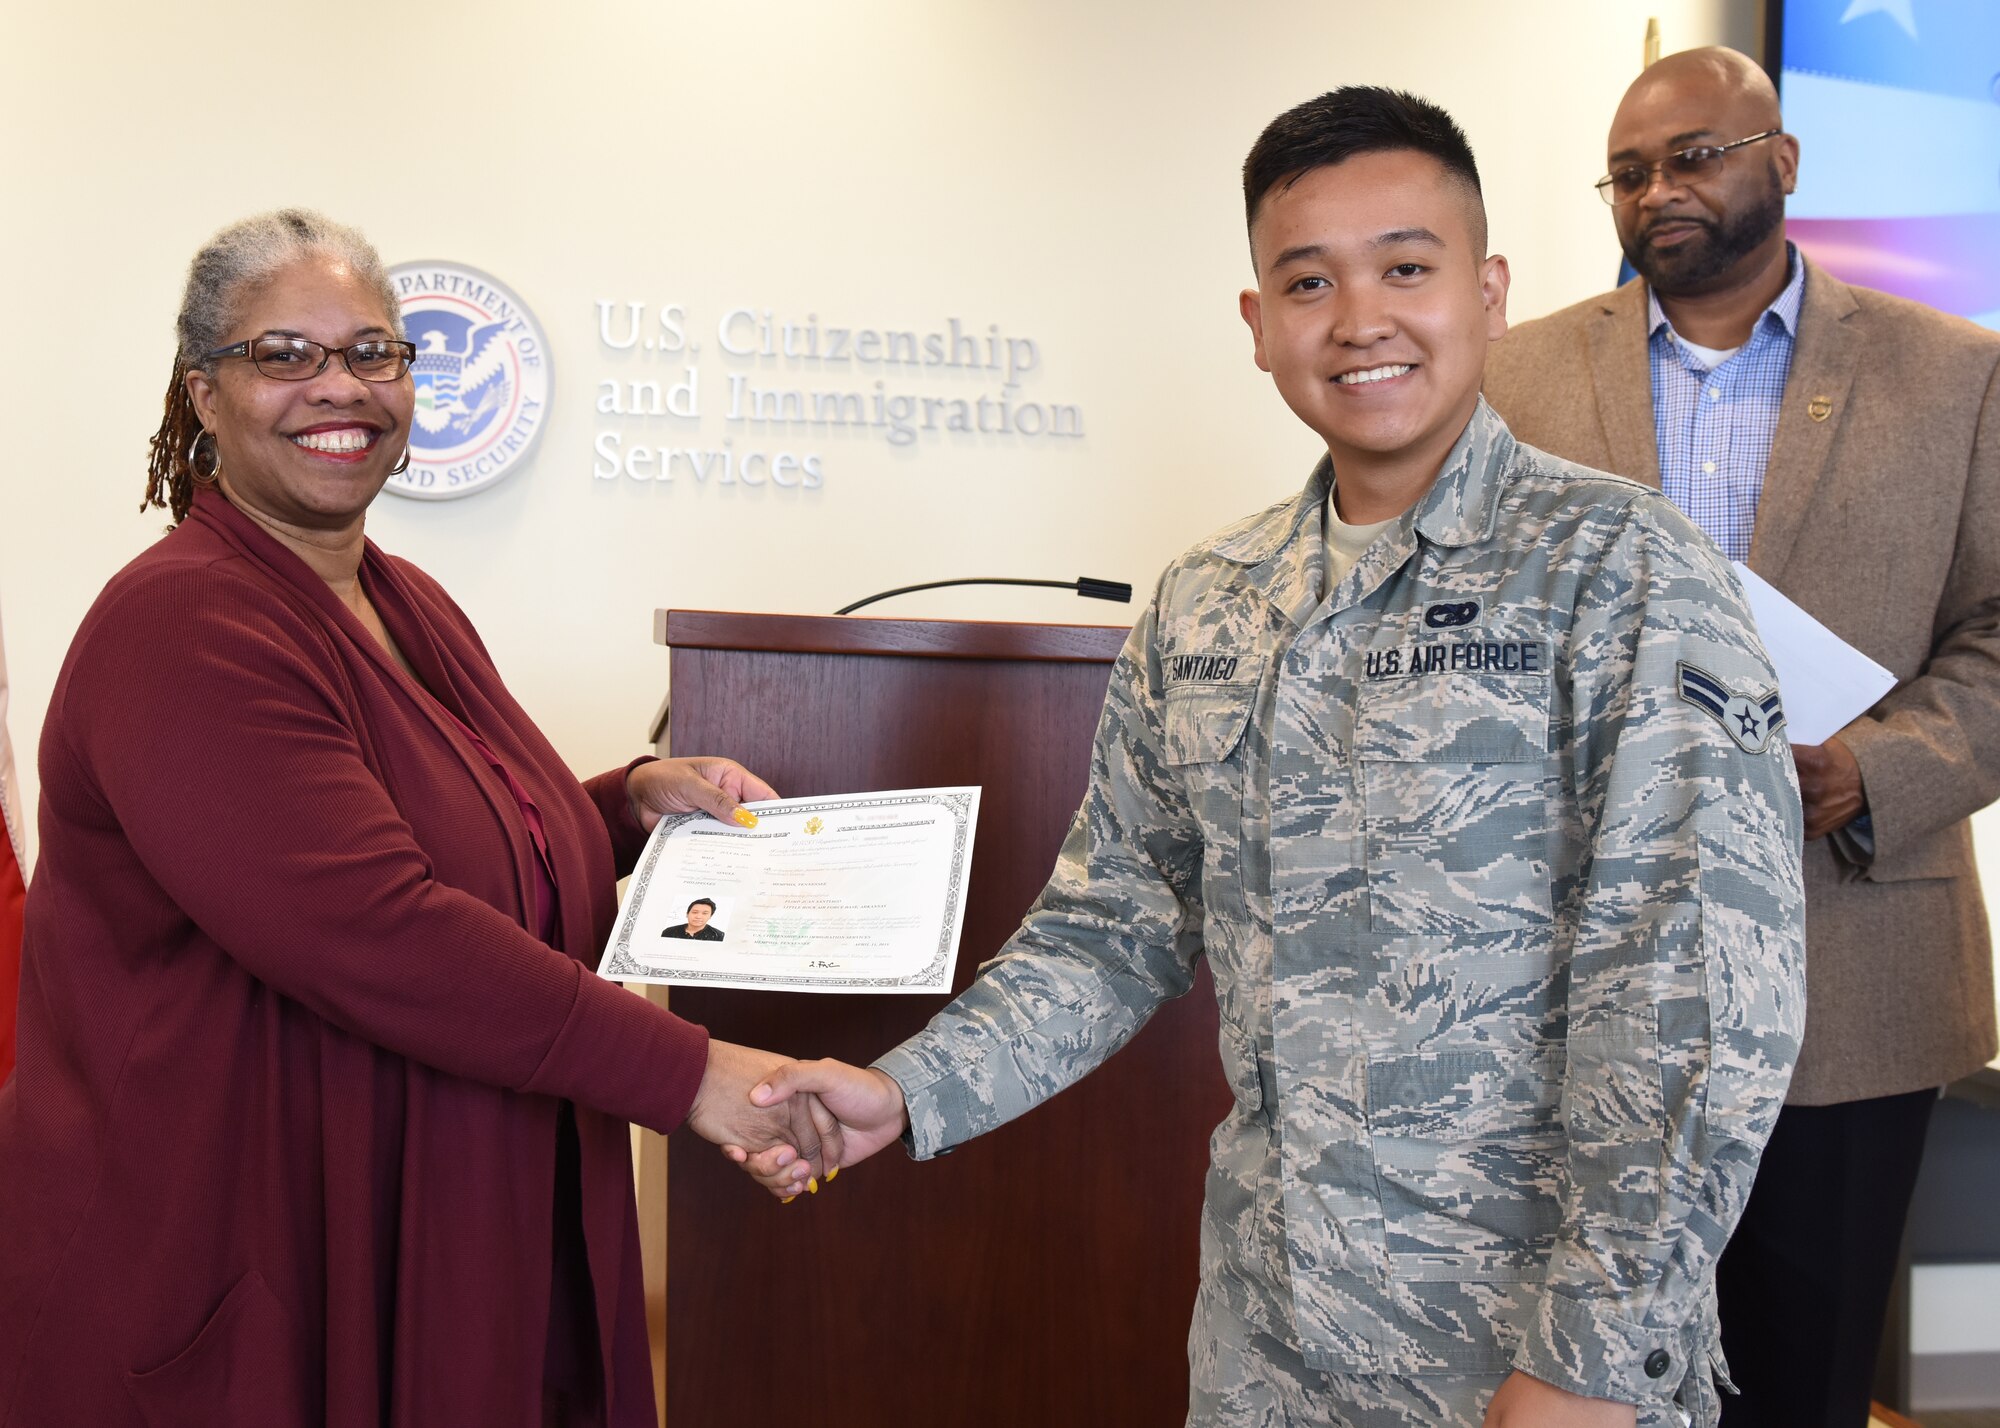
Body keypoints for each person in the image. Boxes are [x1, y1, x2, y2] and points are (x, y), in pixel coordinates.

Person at [733, 89, 1806, 1428]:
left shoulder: (1622, 572)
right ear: (1259, 325)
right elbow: (1108, 930)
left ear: (1487, 293)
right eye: (1310, 281)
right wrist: (904, 1091)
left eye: (1406, 268)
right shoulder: (1206, 603)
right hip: (1270, 1348)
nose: (1359, 319)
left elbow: (1704, 993)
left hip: (1532, 1362)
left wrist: (1592, 1357)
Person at [0, 210, 838, 1428]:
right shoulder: (181, 623)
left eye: (373, 353)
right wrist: (694, 1075)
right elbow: (374, 926)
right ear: (203, 393)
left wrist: (624, 806)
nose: (337, 387)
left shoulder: (397, 596)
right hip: (231, 1255)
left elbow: (447, 836)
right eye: (283, 354)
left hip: (420, 1207)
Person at [1481, 47, 2000, 1427]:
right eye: (1632, 171)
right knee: (1573, 1377)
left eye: (1695, 155)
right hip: (1566, 972)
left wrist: (1879, 769)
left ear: (1781, 161)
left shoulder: (1959, 373)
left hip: (1854, 963)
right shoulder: (1514, 378)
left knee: (1801, 1379)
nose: (1660, 191)